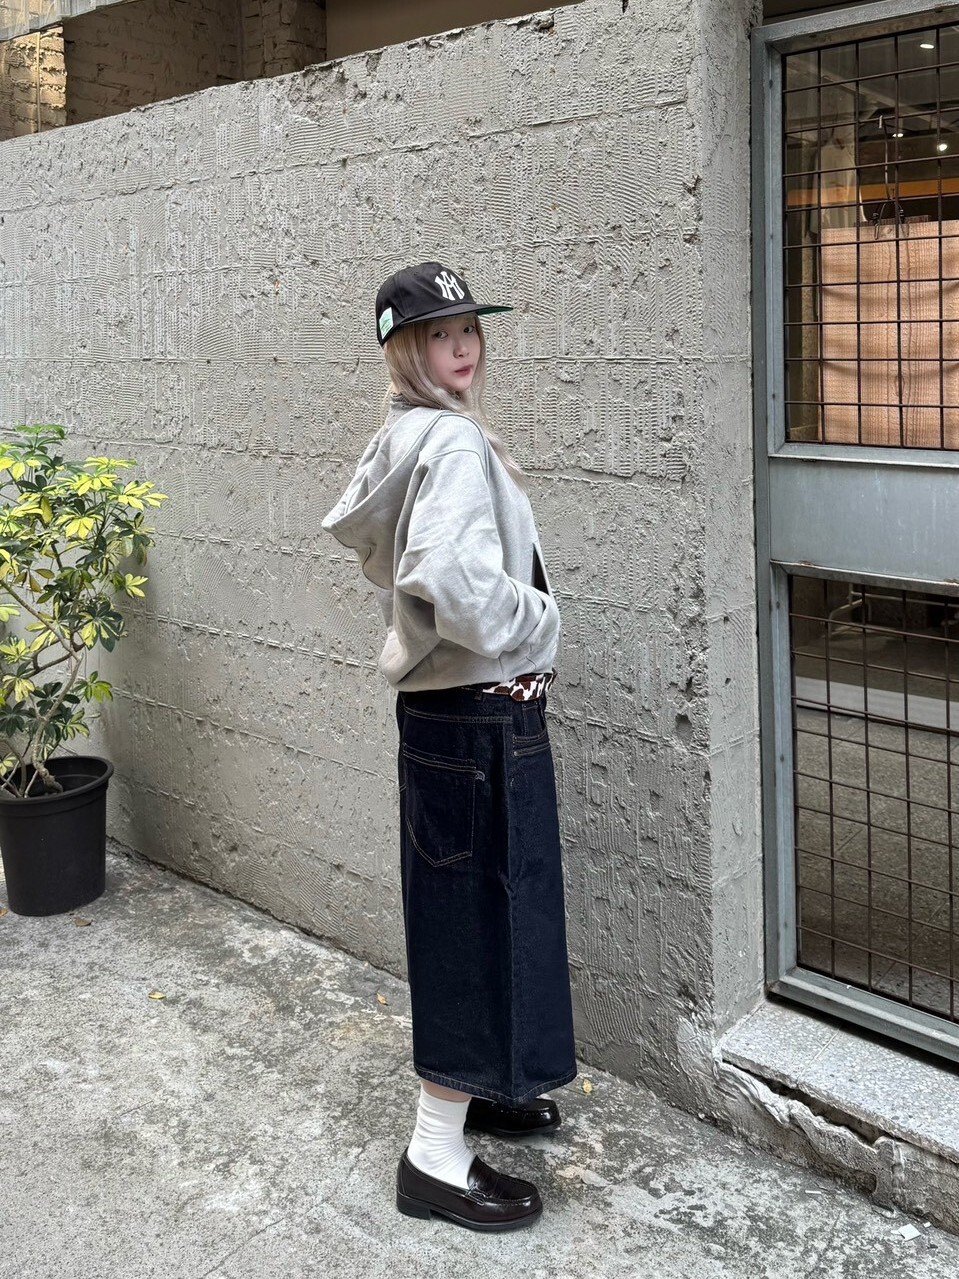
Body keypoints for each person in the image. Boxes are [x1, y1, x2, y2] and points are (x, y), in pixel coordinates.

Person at [322, 261, 577, 1232]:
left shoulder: (404, 436)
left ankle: (485, 1088)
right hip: (478, 718)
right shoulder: (452, 443)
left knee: (479, 914)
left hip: (446, 719)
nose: (462, 345)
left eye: (468, 328)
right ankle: (433, 1155)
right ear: (404, 349)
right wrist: (538, 619)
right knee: (473, 926)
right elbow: (455, 583)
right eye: (439, 333)